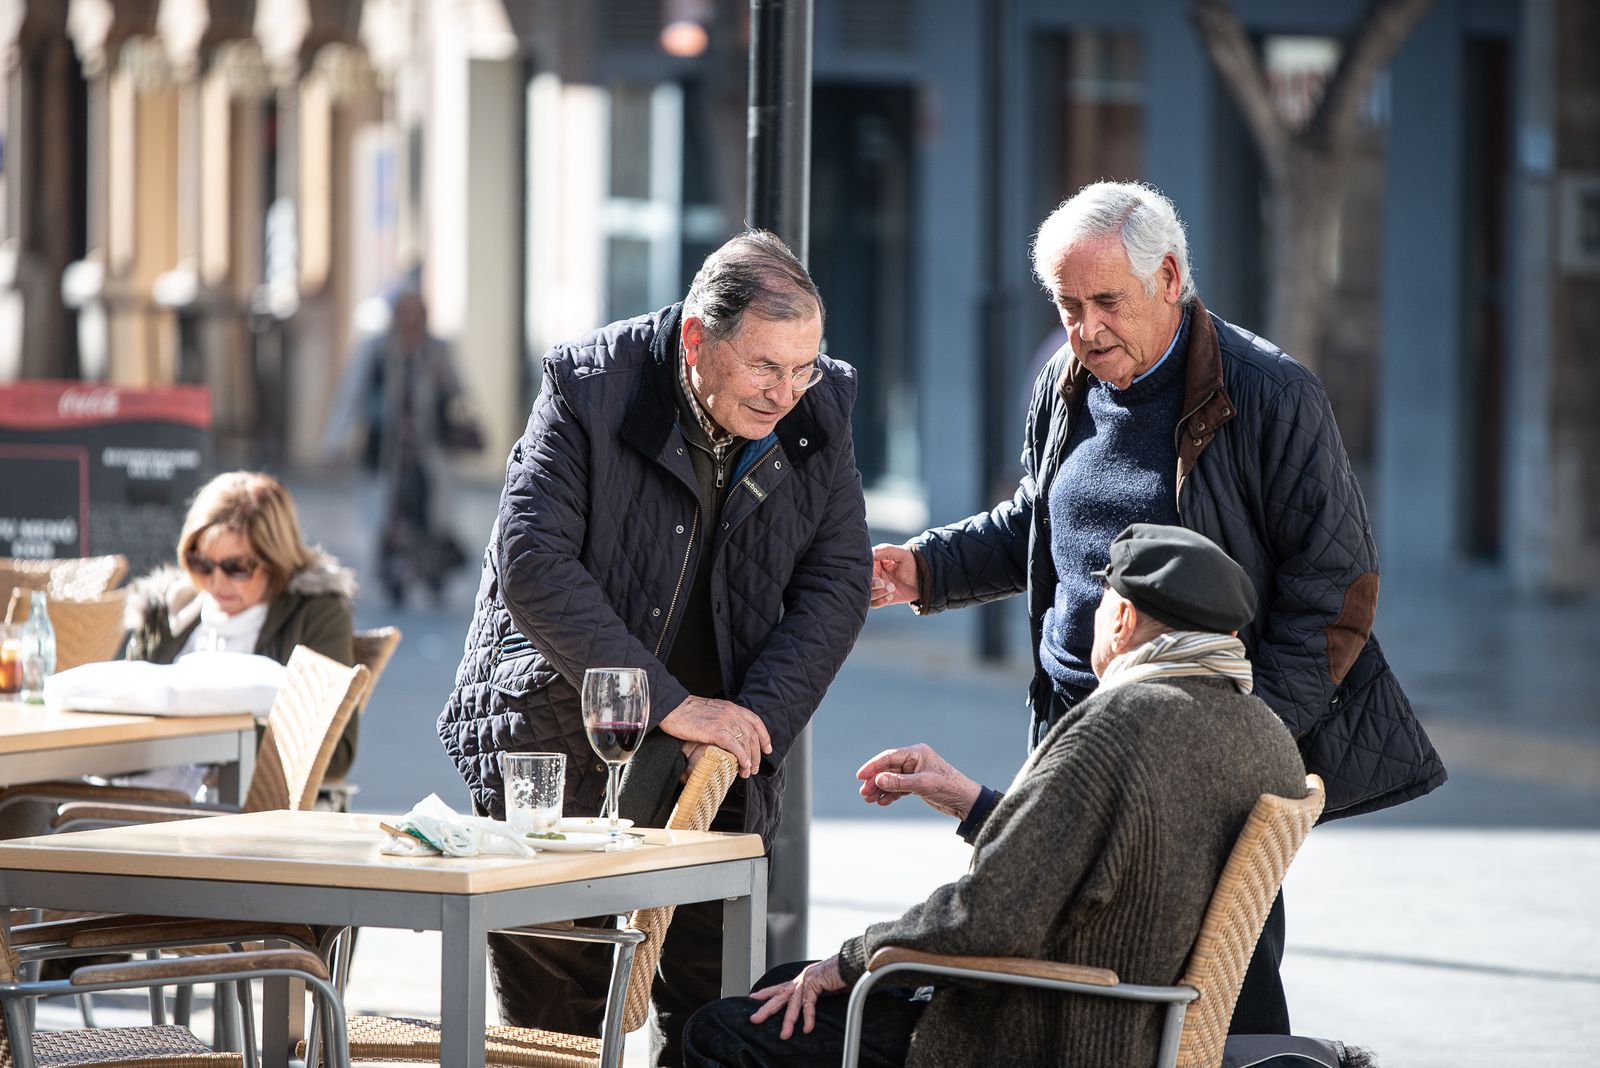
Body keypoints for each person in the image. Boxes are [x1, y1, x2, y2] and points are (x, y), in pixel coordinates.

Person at [869, 180, 1446, 1035]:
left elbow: (1337, 590)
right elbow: (1041, 518)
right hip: (1074, 724)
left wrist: (1247, 738)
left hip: (1198, 742)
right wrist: (923, 568)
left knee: (1219, 986)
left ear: (1170, 278)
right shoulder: (1068, 381)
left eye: (1107, 302)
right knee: (1066, 976)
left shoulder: (1271, 395)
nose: (1085, 328)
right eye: (1067, 305)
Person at [436, 230, 873, 1064]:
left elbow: (837, 585)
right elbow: (530, 565)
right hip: (560, 745)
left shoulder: (821, 411)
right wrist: (671, 706)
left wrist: (749, 724)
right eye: (765, 368)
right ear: (697, 340)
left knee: (712, 1015)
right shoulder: (592, 386)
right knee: (554, 1021)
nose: (787, 393)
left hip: (719, 773)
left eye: (803, 367)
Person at [682, 524, 1309, 1068]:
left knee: (728, 1031)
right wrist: (970, 801)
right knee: (784, 987)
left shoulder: (1120, 724)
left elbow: (989, 917)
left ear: (1121, 618)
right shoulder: (1266, 735)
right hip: (1142, 1024)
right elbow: (1105, 858)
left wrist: (848, 960)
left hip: (1045, 1032)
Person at [123, 470, 357, 780]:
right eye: (202, 563)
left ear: (275, 560)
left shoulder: (315, 614)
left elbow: (336, 752)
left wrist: (217, 736)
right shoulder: (165, 610)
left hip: (241, 815)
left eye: (236, 567)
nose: (216, 581)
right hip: (137, 800)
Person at [323, 284, 474, 607]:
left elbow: (458, 391)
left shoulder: (437, 349)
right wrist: (335, 441)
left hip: (427, 454)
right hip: (386, 454)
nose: (409, 321)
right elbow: (351, 394)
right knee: (389, 521)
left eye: (415, 313)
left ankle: (431, 575)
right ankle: (396, 580)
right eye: (403, 313)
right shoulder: (376, 350)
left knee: (429, 518)